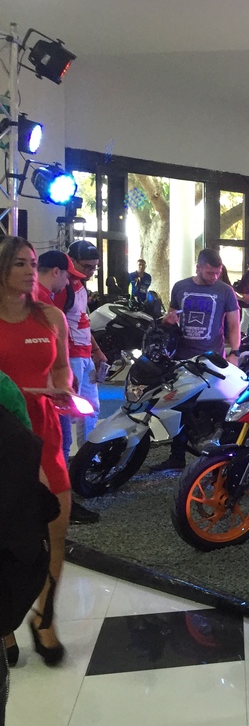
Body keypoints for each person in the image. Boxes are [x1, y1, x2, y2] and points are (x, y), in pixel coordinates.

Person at [0, 236, 75, 667]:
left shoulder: (51, 316)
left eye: (32, 263)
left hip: (45, 433)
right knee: (5, 537)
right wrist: (20, 392)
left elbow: (62, 367)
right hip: (4, 439)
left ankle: (44, 617)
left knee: (56, 529)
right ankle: (4, 624)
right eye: (20, 264)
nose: (31, 271)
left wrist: (64, 389)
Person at [154, 248, 240, 472]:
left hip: (211, 360)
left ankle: (216, 457)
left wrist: (235, 352)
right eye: (210, 272)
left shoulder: (225, 291)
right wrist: (167, 321)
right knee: (180, 408)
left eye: (218, 273)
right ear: (198, 267)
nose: (214, 277)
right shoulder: (181, 287)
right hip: (183, 358)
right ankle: (177, 456)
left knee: (214, 408)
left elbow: (234, 325)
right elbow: (171, 317)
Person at [55, 241, 107, 525]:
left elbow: (81, 320)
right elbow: (56, 326)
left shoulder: (78, 286)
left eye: (94, 267)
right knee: (67, 421)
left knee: (90, 410)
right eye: (86, 266)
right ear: (70, 261)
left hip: (83, 356)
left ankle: (86, 463)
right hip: (72, 358)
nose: (90, 272)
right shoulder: (63, 287)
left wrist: (96, 350)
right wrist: (64, 366)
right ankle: (65, 482)